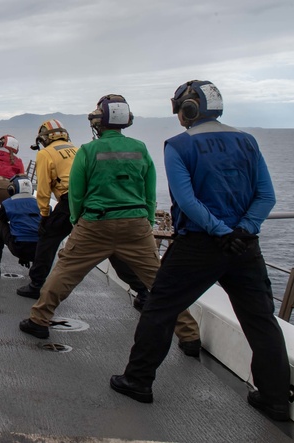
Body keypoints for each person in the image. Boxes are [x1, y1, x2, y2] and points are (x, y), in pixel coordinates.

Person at [111, 81, 289, 421]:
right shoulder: (248, 142)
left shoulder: (178, 145)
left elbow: (186, 200)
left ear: (188, 109)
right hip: (244, 247)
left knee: (160, 309)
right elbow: (266, 196)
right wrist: (243, 231)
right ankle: (275, 400)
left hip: (199, 245)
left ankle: (138, 381)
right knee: (261, 320)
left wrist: (220, 231)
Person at [18, 95, 201, 356]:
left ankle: (39, 320)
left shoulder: (88, 151)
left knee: (65, 271)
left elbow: (77, 193)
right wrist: (147, 222)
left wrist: (78, 220)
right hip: (136, 224)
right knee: (161, 282)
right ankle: (190, 336)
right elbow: (149, 193)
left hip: (96, 221)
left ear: (99, 123)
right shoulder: (140, 148)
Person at [17, 119, 77, 298]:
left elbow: (43, 189)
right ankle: (143, 292)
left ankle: (36, 284)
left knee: (47, 239)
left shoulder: (46, 154)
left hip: (69, 201)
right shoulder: (77, 149)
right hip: (91, 200)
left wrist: (44, 215)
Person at [0, 175, 40, 276]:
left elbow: (1, 217)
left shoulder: (8, 203)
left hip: (19, 246)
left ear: (12, 190)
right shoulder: (41, 203)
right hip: (40, 249)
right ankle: (37, 271)